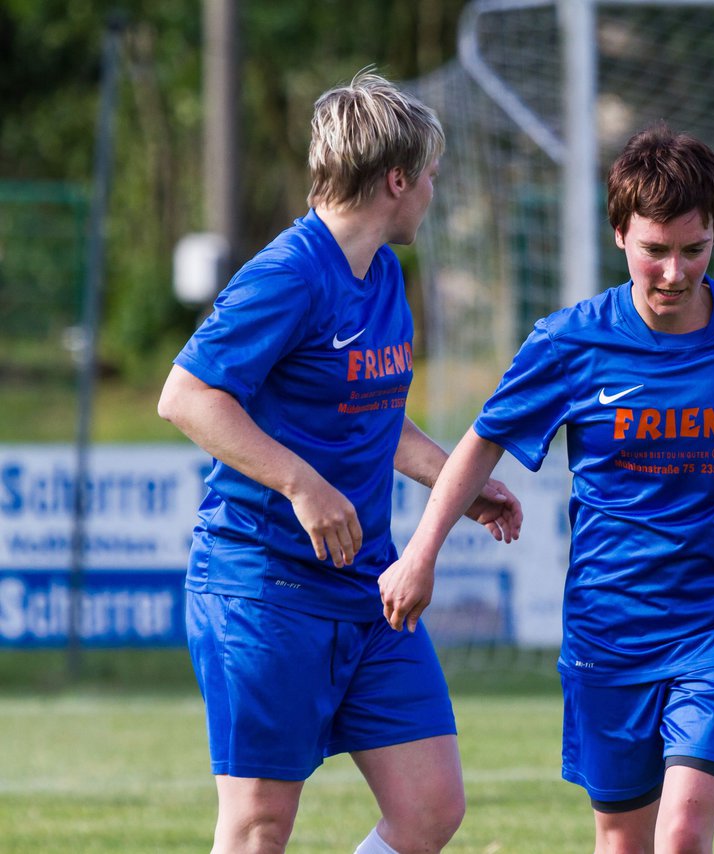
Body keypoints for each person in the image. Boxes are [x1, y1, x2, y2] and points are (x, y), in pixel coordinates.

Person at [379, 121, 714, 853]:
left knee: (682, 832)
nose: (676, 274)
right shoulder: (569, 342)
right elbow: (480, 442)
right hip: (611, 625)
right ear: (619, 233)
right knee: (623, 840)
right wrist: (421, 552)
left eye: (694, 250)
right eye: (655, 252)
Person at [157, 70, 522, 854]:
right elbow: (186, 396)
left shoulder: (384, 273)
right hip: (266, 588)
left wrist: (459, 480)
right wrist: (302, 483)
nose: (433, 190)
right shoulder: (287, 274)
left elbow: (372, 411)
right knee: (258, 826)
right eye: (429, 175)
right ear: (396, 179)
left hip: (368, 588)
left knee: (430, 807)